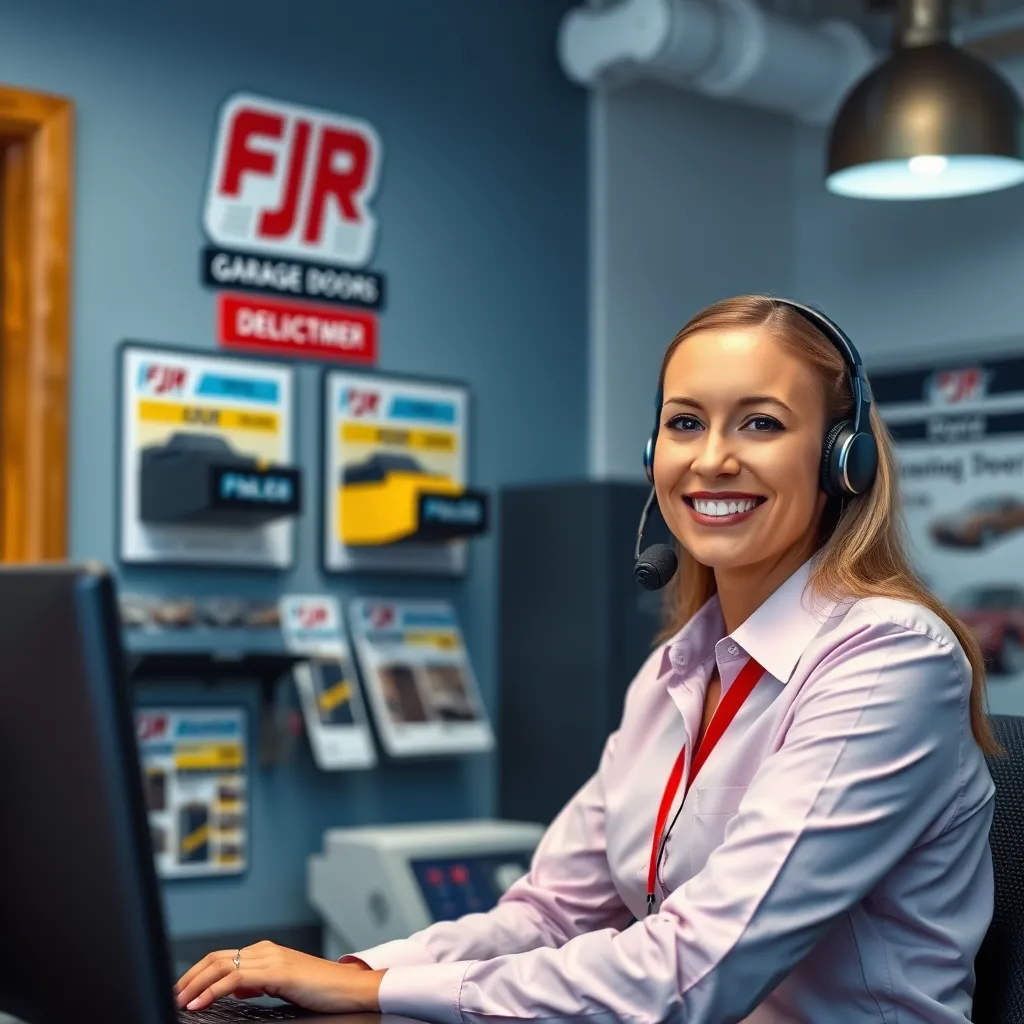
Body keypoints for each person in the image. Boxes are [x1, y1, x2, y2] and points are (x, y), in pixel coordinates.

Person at [174, 295, 997, 1022]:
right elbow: (550, 914)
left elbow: (694, 971)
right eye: (685, 422)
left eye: (761, 423)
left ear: (842, 459)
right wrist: (354, 974)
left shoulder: (889, 659)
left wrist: (379, 994)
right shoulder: (678, 670)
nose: (712, 458)